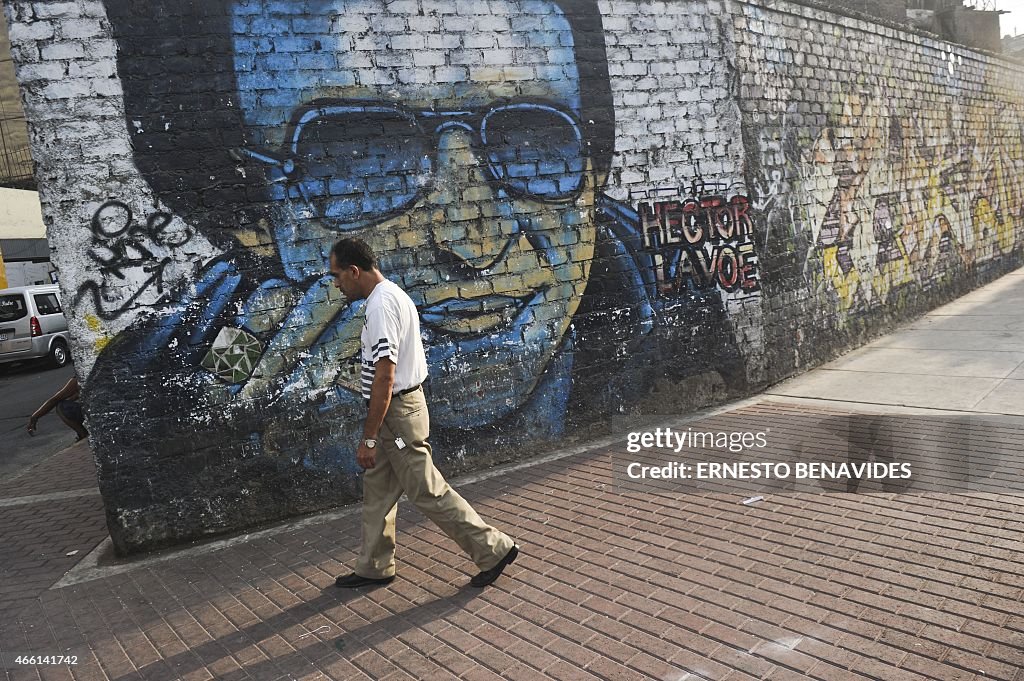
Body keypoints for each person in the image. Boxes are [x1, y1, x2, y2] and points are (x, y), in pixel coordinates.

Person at [85, 0, 747, 549]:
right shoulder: (158, 390)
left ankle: (476, 547)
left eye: (531, 143)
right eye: (359, 158)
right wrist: (227, 444)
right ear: (250, 212)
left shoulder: (673, 309)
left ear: (593, 176)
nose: (473, 240)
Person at [329, 237, 518, 588]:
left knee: (427, 490)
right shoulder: (391, 296)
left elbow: (385, 376)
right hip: (396, 411)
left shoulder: (381, 306)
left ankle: (494, 548)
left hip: (396, 413)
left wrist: (369, 438)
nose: (336, 284)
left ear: (354, 272)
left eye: (337, 276)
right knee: (378, 490)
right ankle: (374, 566)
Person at [28, 376, 87, 441]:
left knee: (61, 406)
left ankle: (83, 434)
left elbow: (55, 399)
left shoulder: (81, 377)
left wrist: (34, 416)